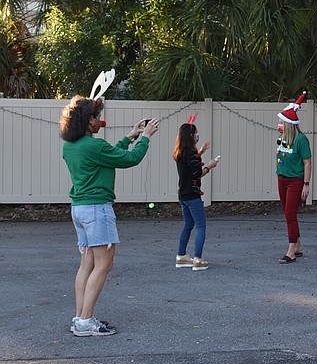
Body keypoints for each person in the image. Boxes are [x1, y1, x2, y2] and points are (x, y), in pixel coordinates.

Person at [60, 95, 159, 337]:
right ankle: (86, 320)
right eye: (98, 117)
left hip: (80, 209)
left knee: (87, 264)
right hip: (97, 210)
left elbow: (109, 154)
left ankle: (80, 318)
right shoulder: (94, 146)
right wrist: (145, 137)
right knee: (104, 264)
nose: (100, 121)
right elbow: (130, 159)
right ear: (88, 120)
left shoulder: (71, 146)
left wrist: (130, 136)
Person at [173, 117, 219, 271]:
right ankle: (198, 259)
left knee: (188, 224)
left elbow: (190, 166)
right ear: (190, 136)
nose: (198, 136)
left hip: (183, 195)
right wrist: (210, 166)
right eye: (196, 133)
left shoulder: (180, 153)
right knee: (200, 225)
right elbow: (197, 173)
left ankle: (181, 256)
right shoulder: (190, 156)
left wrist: (201, 152)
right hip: (192, 196)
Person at [276, 93, 311, 264]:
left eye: (282, 122)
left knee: (290, 213)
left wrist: (306, 184)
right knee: (287, 213)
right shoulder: (283, 138)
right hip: (281, 179)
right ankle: (298, 245)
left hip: (295, 181)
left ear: (289, 124)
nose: (279, 125)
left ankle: (290, 250)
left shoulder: (301, 140)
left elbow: (307, 163)